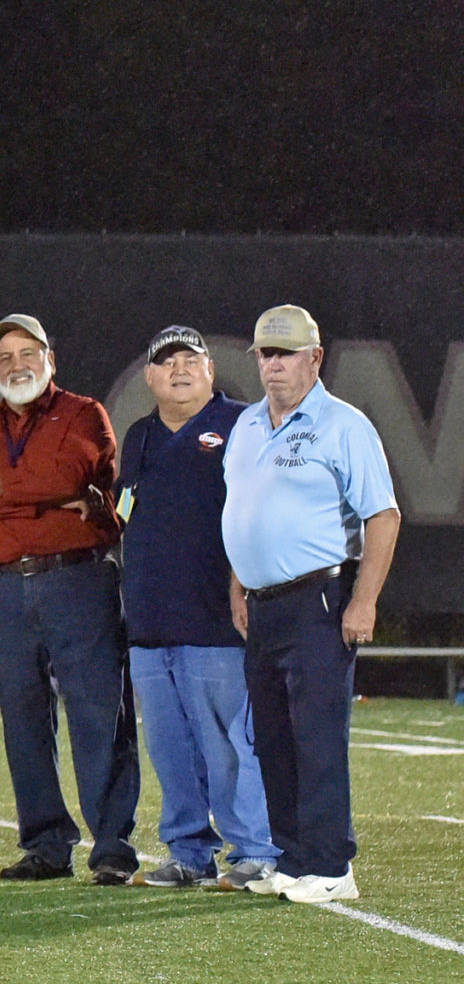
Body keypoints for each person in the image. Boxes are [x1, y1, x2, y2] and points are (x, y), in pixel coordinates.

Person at [220, 304, 400, 905]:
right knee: (271, 737)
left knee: (316, 735)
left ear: (315, 358)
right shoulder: (245, 426)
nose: (273, 366)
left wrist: (365, 601)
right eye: (266, 355)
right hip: (263, 604)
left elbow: (383, 513)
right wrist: (238, 584)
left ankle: (332, 865)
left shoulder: (344, 425)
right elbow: (240, 511)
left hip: (320, 597)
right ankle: (294, 858)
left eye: (286, 354)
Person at [0, 313, 140, 883]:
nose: (17, 366)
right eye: (4, 358)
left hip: (77, 579)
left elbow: (65, 474)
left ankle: (111, 846)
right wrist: (30, 497)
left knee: (98, 712)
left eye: (27, 353)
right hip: (8, 588)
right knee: (23, 717)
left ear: (49, 359)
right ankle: (46, 843)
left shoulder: (84, 413)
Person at [117, 326, 277, 891]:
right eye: (167, 362)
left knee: (230, 743)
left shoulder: (243, 424)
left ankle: (256, 849)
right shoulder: (137, 435)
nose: (179, 369)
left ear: (211, 370)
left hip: (216, 618)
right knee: (170, 748)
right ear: (150, 377)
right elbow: (125, 512)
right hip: (150, 620)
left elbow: (261, 511)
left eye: (191, 359)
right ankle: (188, 852)